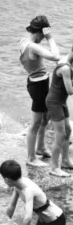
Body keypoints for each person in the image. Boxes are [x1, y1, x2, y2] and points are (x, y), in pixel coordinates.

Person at [19, 16, 60, 167]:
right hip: (38, 86)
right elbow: (55, 55)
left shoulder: (23, 41)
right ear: (38, 33)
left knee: (45, 118)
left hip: (36, 82)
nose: (43, 38)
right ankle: (30, 158)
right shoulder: (32, 47)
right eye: (42, 36)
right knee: (36, 123)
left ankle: (41, 147)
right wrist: (50, 37)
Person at [0, 160, 67, 225]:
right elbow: (11, 206)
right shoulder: (17, 186)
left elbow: (28, 218)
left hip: (56, 221)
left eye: (3, 178)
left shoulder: (28, 190)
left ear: (7, 179)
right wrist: (4, 224)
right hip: (43, 221)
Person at [46, 46, 73, 177]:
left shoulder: (68, 63)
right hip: (54, 102)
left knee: (68, 130)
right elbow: (70, 91)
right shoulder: (65, 68)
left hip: (61, 101)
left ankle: (66, 161)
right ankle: (54, 167)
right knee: (60, 135)